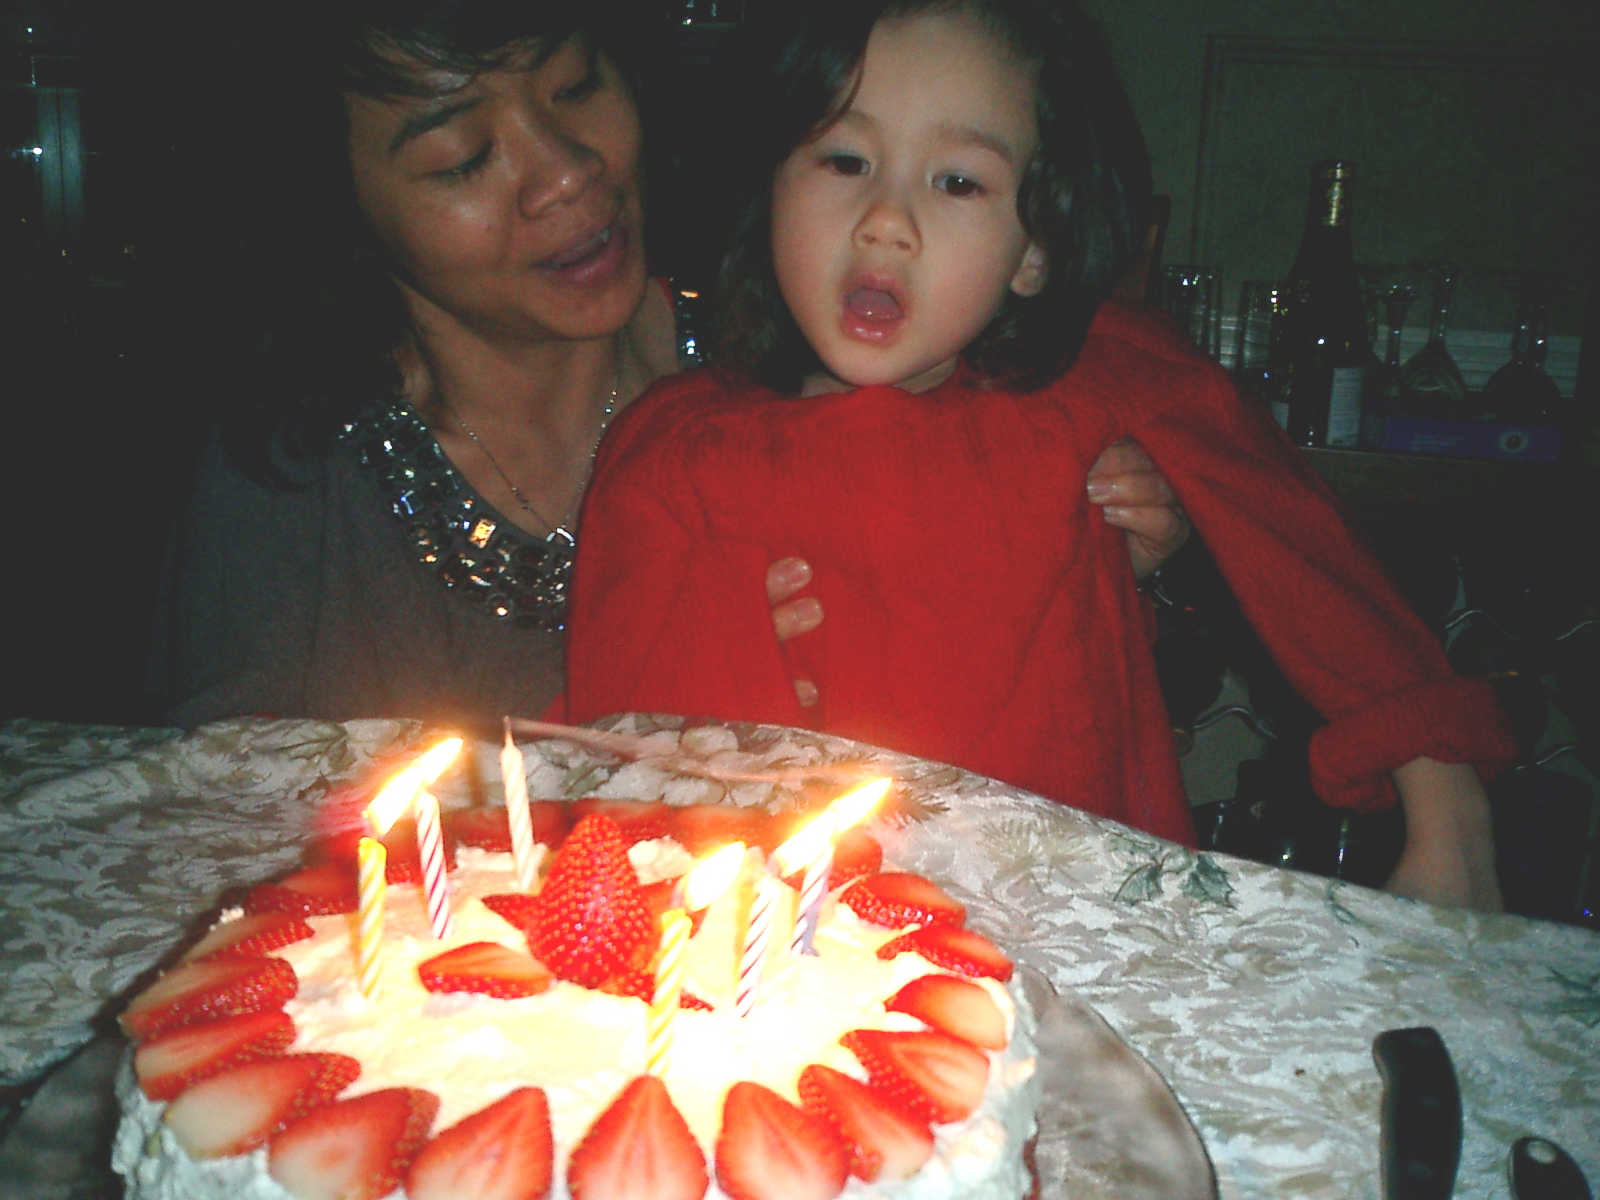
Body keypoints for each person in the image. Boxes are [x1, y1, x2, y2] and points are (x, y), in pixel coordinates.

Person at [563, 0, 1515, 910]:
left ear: (1034, 251)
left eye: (958, 182)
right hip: (798, 960)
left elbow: (1302, 548)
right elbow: (614, 767)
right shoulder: (675, 451)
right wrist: (734, 663)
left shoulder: (1094, 386)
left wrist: (1446, 806)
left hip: (1083, 950)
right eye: (846, 159)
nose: (886, 218)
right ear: (772, 183)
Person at [146, 0, 1185, 733]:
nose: (566, 172)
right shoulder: (296, 471)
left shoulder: (803, 353)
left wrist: (1103, 556)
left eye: (576, 87)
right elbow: (220, 831)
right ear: (338, 209)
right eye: (463, 157)